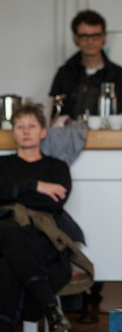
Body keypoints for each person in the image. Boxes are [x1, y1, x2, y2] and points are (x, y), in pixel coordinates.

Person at [0, 104, 81, 332]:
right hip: (5, 228)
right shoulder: (3, 164)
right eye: (20, 126)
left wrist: (13, 193)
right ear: (13, 132)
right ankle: (51, 308)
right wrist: (34, 186)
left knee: (6, 264)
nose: (26, 131)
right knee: (9, 230)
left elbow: (54, 203)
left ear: (43, 132)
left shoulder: (57, 167)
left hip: (41, 234)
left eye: (32, 126)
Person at [49, 10, 122, 120]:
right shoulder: (65, 74)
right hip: (69, 131)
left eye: (95, 36)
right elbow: (52, 113)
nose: (90, 42)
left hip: (107, 131)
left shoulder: (121, 76)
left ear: (103, 37)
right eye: (84, 36)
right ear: (76, 38)